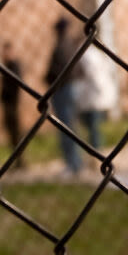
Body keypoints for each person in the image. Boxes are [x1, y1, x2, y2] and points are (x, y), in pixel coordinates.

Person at [45, 18, 84, 177]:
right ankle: (75, 162)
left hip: (62, 89)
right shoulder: (71, 46)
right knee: (71, 126)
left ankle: (72, 163)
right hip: (70, 88)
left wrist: (48, 77)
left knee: (66, 127)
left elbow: (57, 71)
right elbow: (80, 70)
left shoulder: (61, 47)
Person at [0, 41, 24, 162]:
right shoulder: (6, 65)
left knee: (15, 132)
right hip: (7, 102)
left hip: (12, 102)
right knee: (11, 132)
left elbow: (14, 86)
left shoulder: (14, 65)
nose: (4, 54)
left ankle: (20, 160)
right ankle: (17, 159)